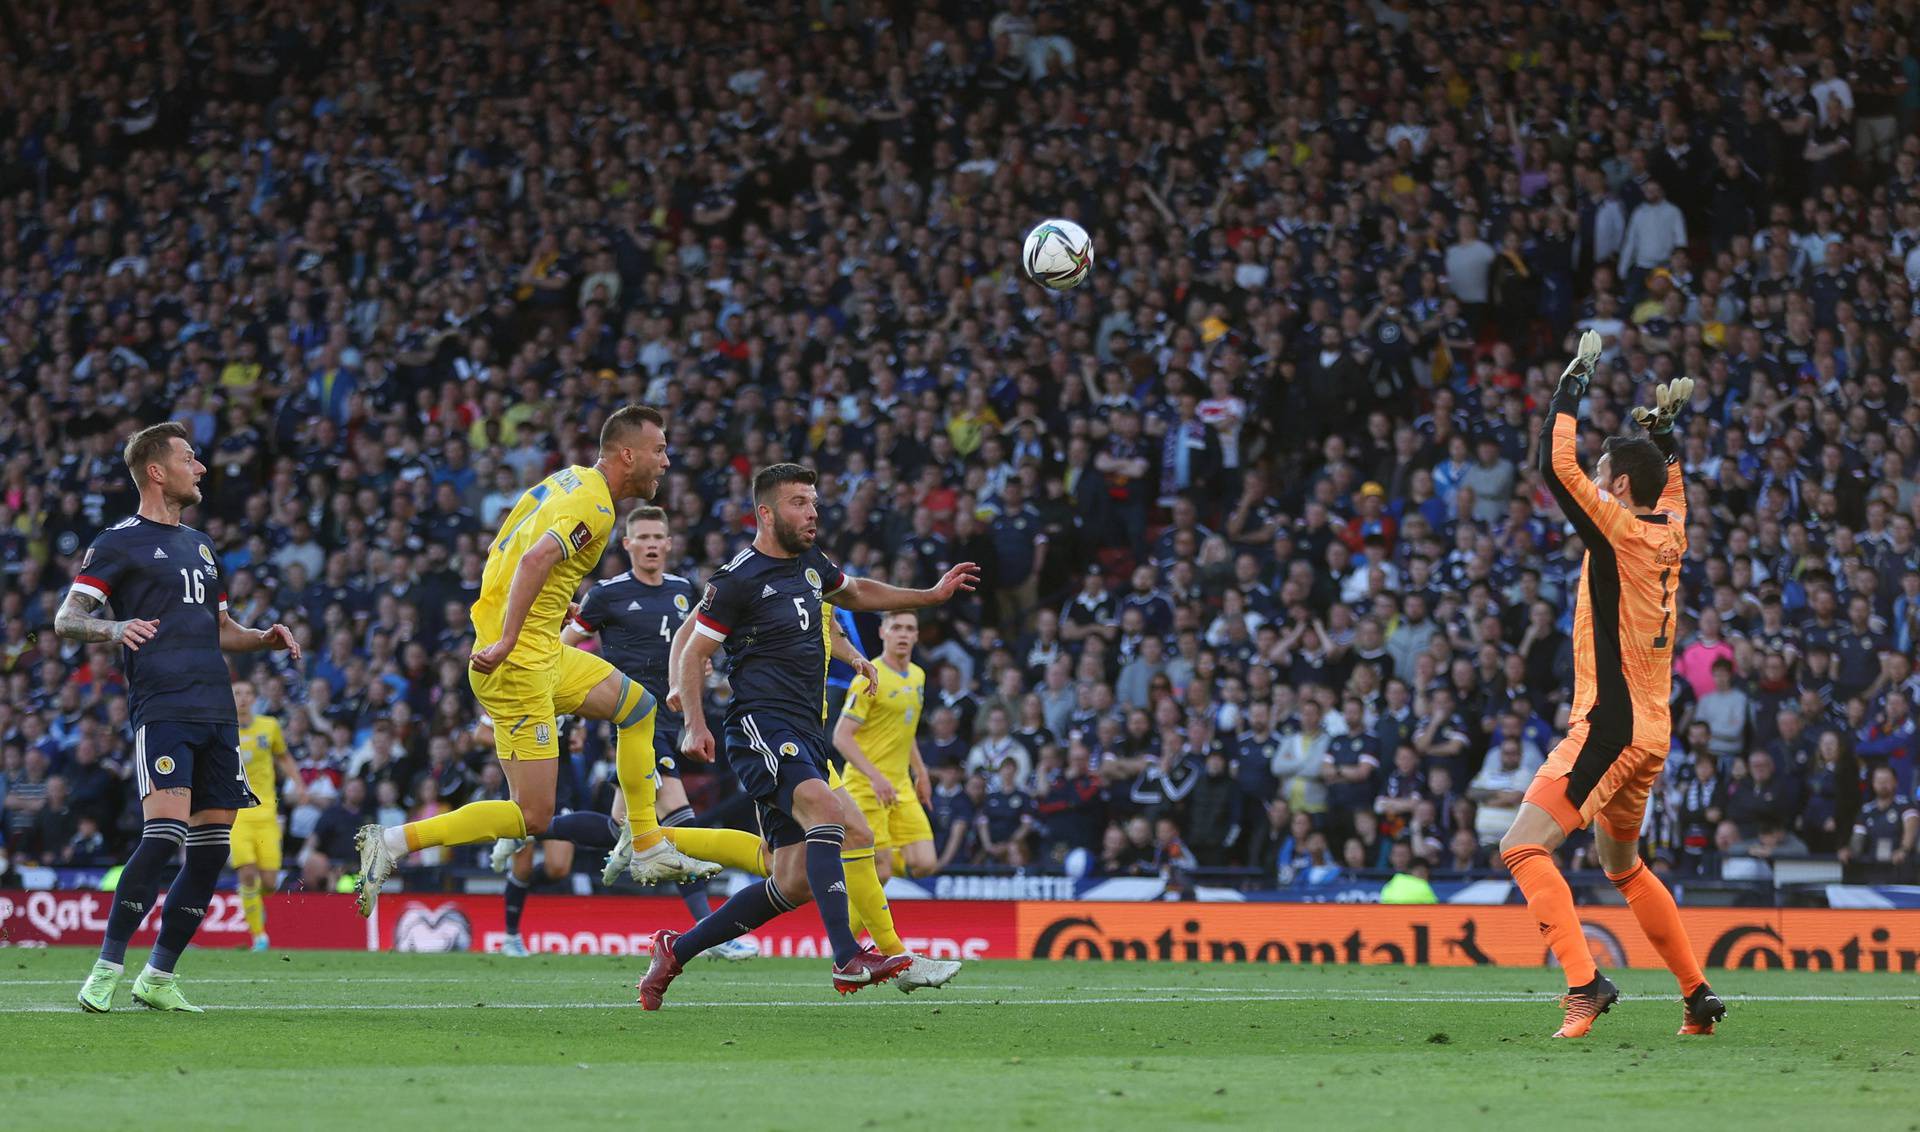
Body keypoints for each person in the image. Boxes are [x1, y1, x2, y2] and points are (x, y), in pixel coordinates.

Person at [351, 406, 716, 918]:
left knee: (638, 706)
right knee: (534, 814)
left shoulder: (571, 479)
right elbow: (533, 558)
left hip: (542, 646)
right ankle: (391, 842)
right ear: (628, 454)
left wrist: (547, 605)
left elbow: (512, 544)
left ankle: (647, 843)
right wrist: (505, 638)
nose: (666, 461)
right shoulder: (597, 508)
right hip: (518, 662)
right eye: (659, 450)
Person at [636, 463, 977, 1007]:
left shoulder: (811, 565)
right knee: (830, 814)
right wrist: (695, 721)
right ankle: (848, 956)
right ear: (766, 513)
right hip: (760, 724)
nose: (813, 511)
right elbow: (696, 648)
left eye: (814, 501)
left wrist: (930, 596)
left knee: (795, 878)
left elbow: (858, 592)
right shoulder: (737, 577)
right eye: (799, 502)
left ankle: (675, 950)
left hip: (806, 730)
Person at [1497, 336, 1726, 1039]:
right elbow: (1672, 480)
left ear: (1620, 488)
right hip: (1651, 729)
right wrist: (1664, 434)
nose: (1596, 483)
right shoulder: (1672, 527)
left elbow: (1553, 465)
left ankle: (1584, 983)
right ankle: (1696, 996)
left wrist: (1572, 382)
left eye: (1606, 475)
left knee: (1522, 847)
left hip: (1610, 723)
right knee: (1623, 866)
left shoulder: (1621, 529)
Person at [63, 422, 302, 1012]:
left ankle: (159, 976)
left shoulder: (200, 544)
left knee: (212, 849)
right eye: (189, 459)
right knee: (164, 834)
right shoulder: (117, 542)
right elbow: (69, 618)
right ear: (156, 470)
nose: (200, 468)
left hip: (217, 713)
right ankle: (107, 966)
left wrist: (262, 640)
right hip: (163, 706)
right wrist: (114, 627)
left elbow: (223, 631)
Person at [542, 505, 761, 960]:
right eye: (642, 538)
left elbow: (699, 647)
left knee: (621, 827)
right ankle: (710, 933)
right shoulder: (605, 595)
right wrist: (566, 703)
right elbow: (562, 649)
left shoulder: (685, 591)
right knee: (679, 819)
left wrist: (704, 674)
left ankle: (531, 827)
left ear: (668, 543)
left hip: (669, 719)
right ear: (627, 545)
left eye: (658, 537)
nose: (651, 545)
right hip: (632, 722)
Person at [834, 610, 943, 881]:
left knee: (924, 862)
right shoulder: (869, 677)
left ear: (917, 635)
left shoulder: (918, 676)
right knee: (880, 873)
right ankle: (862, 864)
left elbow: (905, 732)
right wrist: (876, 777)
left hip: (900, 786)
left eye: (909, 629)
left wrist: (921, 772)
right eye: (896, 628)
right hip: (867, 786)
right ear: (883, 632)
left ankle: (856, 859)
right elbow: (841, 737)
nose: (903, 634)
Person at [230, 678, 304, 952]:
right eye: (238, 692)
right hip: (237, 813)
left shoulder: (269, 727)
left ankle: (252, 903)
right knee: (247, 874)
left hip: (267, 813)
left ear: (255, 697)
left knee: (270, 883)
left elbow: (283, 757)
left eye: (248, 692)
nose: (244, 698)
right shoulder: (224, 727)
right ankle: (259, 935)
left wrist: (299, 783)